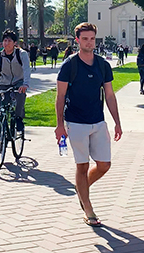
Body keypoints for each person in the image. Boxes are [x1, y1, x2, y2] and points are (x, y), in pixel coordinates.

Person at [55, 22, 122, 228]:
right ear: (77, 40)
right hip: (75, 123)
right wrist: (59, 125)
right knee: (82, 166)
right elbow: (60, 96)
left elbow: (109, 95)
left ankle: (81, 189)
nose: (89, 42)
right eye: (85, 39)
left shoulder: (103, 65)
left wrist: (117, 123)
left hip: (98, 121)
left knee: (104, 165)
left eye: (92, 38)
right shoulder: (69, 65)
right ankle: (89, 210)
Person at [0, 29, 31, 133]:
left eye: (9, 41)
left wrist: (25, 84)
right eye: (5, 41)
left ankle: (18, 119)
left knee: (20, 95)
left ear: (15, 43)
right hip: (4, 83)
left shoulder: (22, 54)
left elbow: (26, 69)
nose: (6, 43)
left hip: (19, 82)